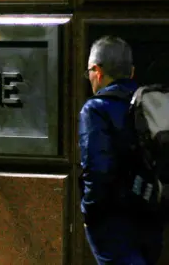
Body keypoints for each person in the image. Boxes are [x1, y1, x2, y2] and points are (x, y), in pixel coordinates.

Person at [79, 35, 165, 265]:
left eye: (88, 72)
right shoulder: (149, 104)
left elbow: (98, 169)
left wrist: (89, 211)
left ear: (97, 71)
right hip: (150, 215)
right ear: (132, 72)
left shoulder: (95, 109)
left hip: (113, 220)